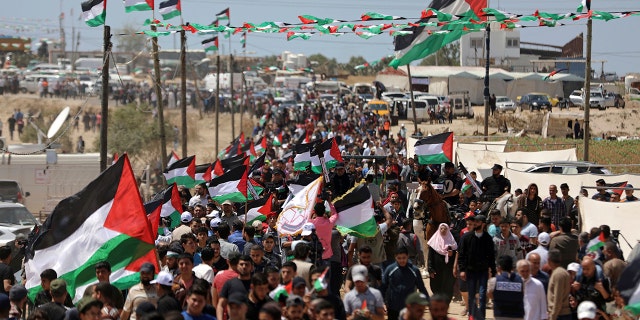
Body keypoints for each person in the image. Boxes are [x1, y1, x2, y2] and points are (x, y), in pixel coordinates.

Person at [458, 215, 496, 320]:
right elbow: (462, 255)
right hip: (470, 271)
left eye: (477, 222)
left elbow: (491, 256)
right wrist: (462, 270)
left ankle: (481, 317)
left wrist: (493, 270)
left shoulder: (488, 238)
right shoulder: (466, 237)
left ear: (483, 224)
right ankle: (472, 316)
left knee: (483, 295)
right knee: (472, 296)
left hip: (483, 271)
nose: (475, 224)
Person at [381, 247, 429, 320]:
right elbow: (383, 287)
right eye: (399, 258)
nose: (401, 260)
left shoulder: (414, 270)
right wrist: (383, 302)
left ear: (408, 256)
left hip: (409, 308)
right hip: (393, 308)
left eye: (404, 258)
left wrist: (427, 301)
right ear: (395, 257)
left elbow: (421, 288)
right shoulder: (390, 270)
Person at [427, 223, 457, 303]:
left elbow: (456, 255)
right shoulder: (434, 242)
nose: (443, 230)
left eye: (445, 229)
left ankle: (445, 304)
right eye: (441, 229)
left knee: (448, 288)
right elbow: (430, 257)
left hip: (448, 271)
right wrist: (430, 269)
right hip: (436, 270)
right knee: (436, 287)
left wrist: (452, 254)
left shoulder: (452, 242)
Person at [487, 255, 525, 319]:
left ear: (499, 268)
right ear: (512, 267)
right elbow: (523, 294)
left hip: (501, 315)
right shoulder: (521, 280)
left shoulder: (494, 281)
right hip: (517, 315)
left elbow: (490, 294)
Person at [547, 249, 572, 320]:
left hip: (560, 315)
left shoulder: (558, 274)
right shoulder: (563, 272)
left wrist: (553, 316)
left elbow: (558, 297)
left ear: (548, 260)